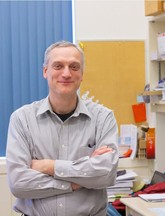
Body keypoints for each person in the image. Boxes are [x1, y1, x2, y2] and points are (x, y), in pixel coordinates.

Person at [6, 40, 119, 216]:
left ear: (81, 74)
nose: (66, 73)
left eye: (74, 67)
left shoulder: (103, 118)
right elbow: (19, 183)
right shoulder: (22, 119)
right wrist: (76, 182)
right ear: (45, 71)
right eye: (58, 66)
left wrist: (48, 166)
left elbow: (106, 174)